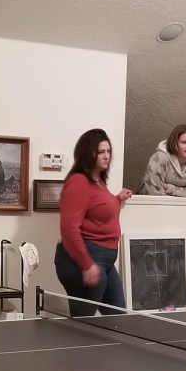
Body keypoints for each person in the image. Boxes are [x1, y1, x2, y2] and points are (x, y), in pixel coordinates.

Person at [54, 128, 134, 316]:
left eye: (108, 151)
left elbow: (98, 209)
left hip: (105, 260)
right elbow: (68, 228)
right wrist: (86, 265)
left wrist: (117, 198)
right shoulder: (79, 182)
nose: (107, 156)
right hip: (87, 258)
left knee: (117, 320)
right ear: (87, 153)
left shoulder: (98, 181)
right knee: (83, 323)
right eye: (100, 152)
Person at [139, 124, 186, 197]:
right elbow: (154, 191)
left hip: (177, 203)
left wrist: (168, 187)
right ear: (175, 142)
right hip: (148, 201)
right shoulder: (160, 157)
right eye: (184, 142)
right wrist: (179, 193)